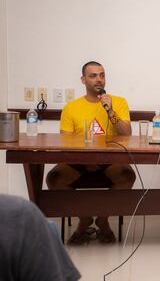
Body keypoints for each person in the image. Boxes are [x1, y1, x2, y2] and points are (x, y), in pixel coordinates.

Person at [46, 61, 136, 244]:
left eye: (102, 75)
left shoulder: (118, 102)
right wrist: (85, 158)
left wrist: (110, 111)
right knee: (54, 179)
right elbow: (65, 142)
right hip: (78, 161)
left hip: (109, 160)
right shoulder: (71, 107)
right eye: (93, 76)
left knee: (127, 176)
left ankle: (102, 220)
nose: (99, 80)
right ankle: (84, 219)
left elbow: (126, 134)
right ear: (83, 79)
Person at [0, 194, 81, 280]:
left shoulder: (19, 214)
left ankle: (87, 220)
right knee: (53, 183)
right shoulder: (21, 214)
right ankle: (86, 220)